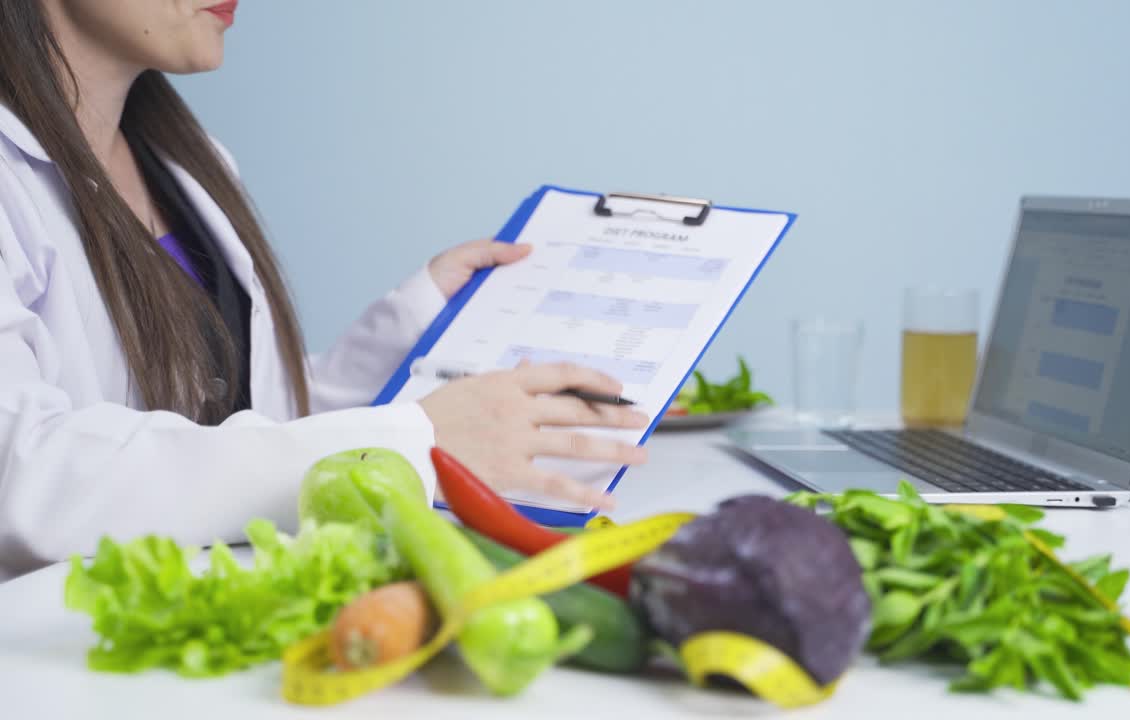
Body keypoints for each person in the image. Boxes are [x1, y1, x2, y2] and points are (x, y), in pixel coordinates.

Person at [0, 0, 649, 580]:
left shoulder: (188, 163)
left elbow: (236, 426)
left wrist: (413, 331)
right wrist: (410, 442)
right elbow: (27, 475)